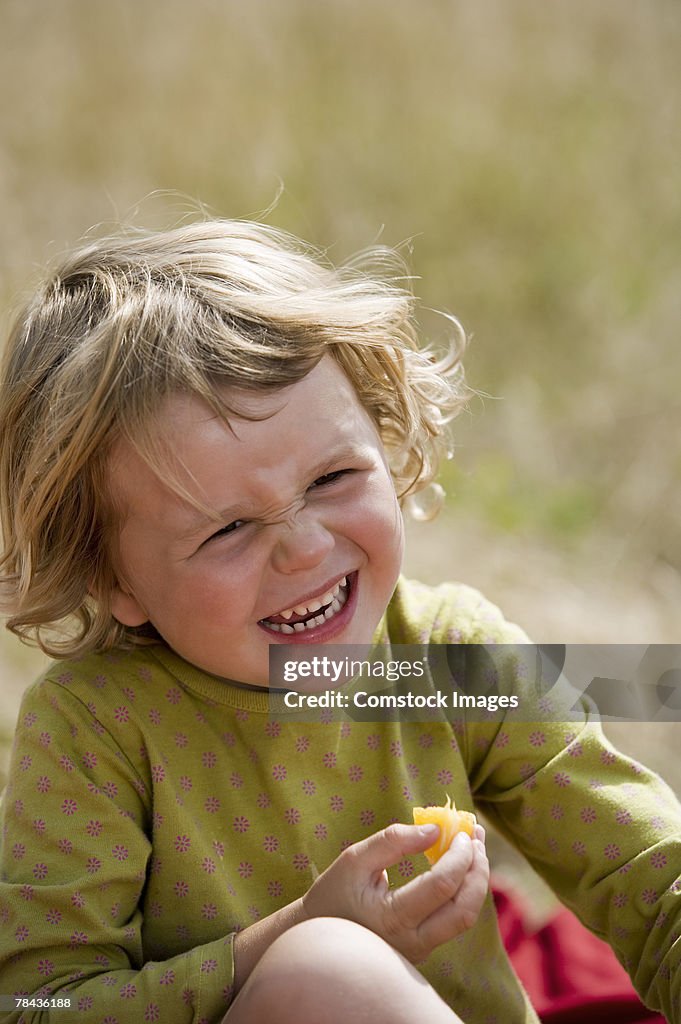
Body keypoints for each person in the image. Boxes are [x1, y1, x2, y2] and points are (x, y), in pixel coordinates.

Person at [0, 220, 678, 1024]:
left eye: (332, 477)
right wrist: (292, 933)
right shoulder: (95, 728)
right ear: (114, 580)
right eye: (225, 530)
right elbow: (34, 1004)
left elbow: (646, 874)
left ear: (383, 444)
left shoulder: (444, 660)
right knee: (329, 969)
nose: (303, 548)